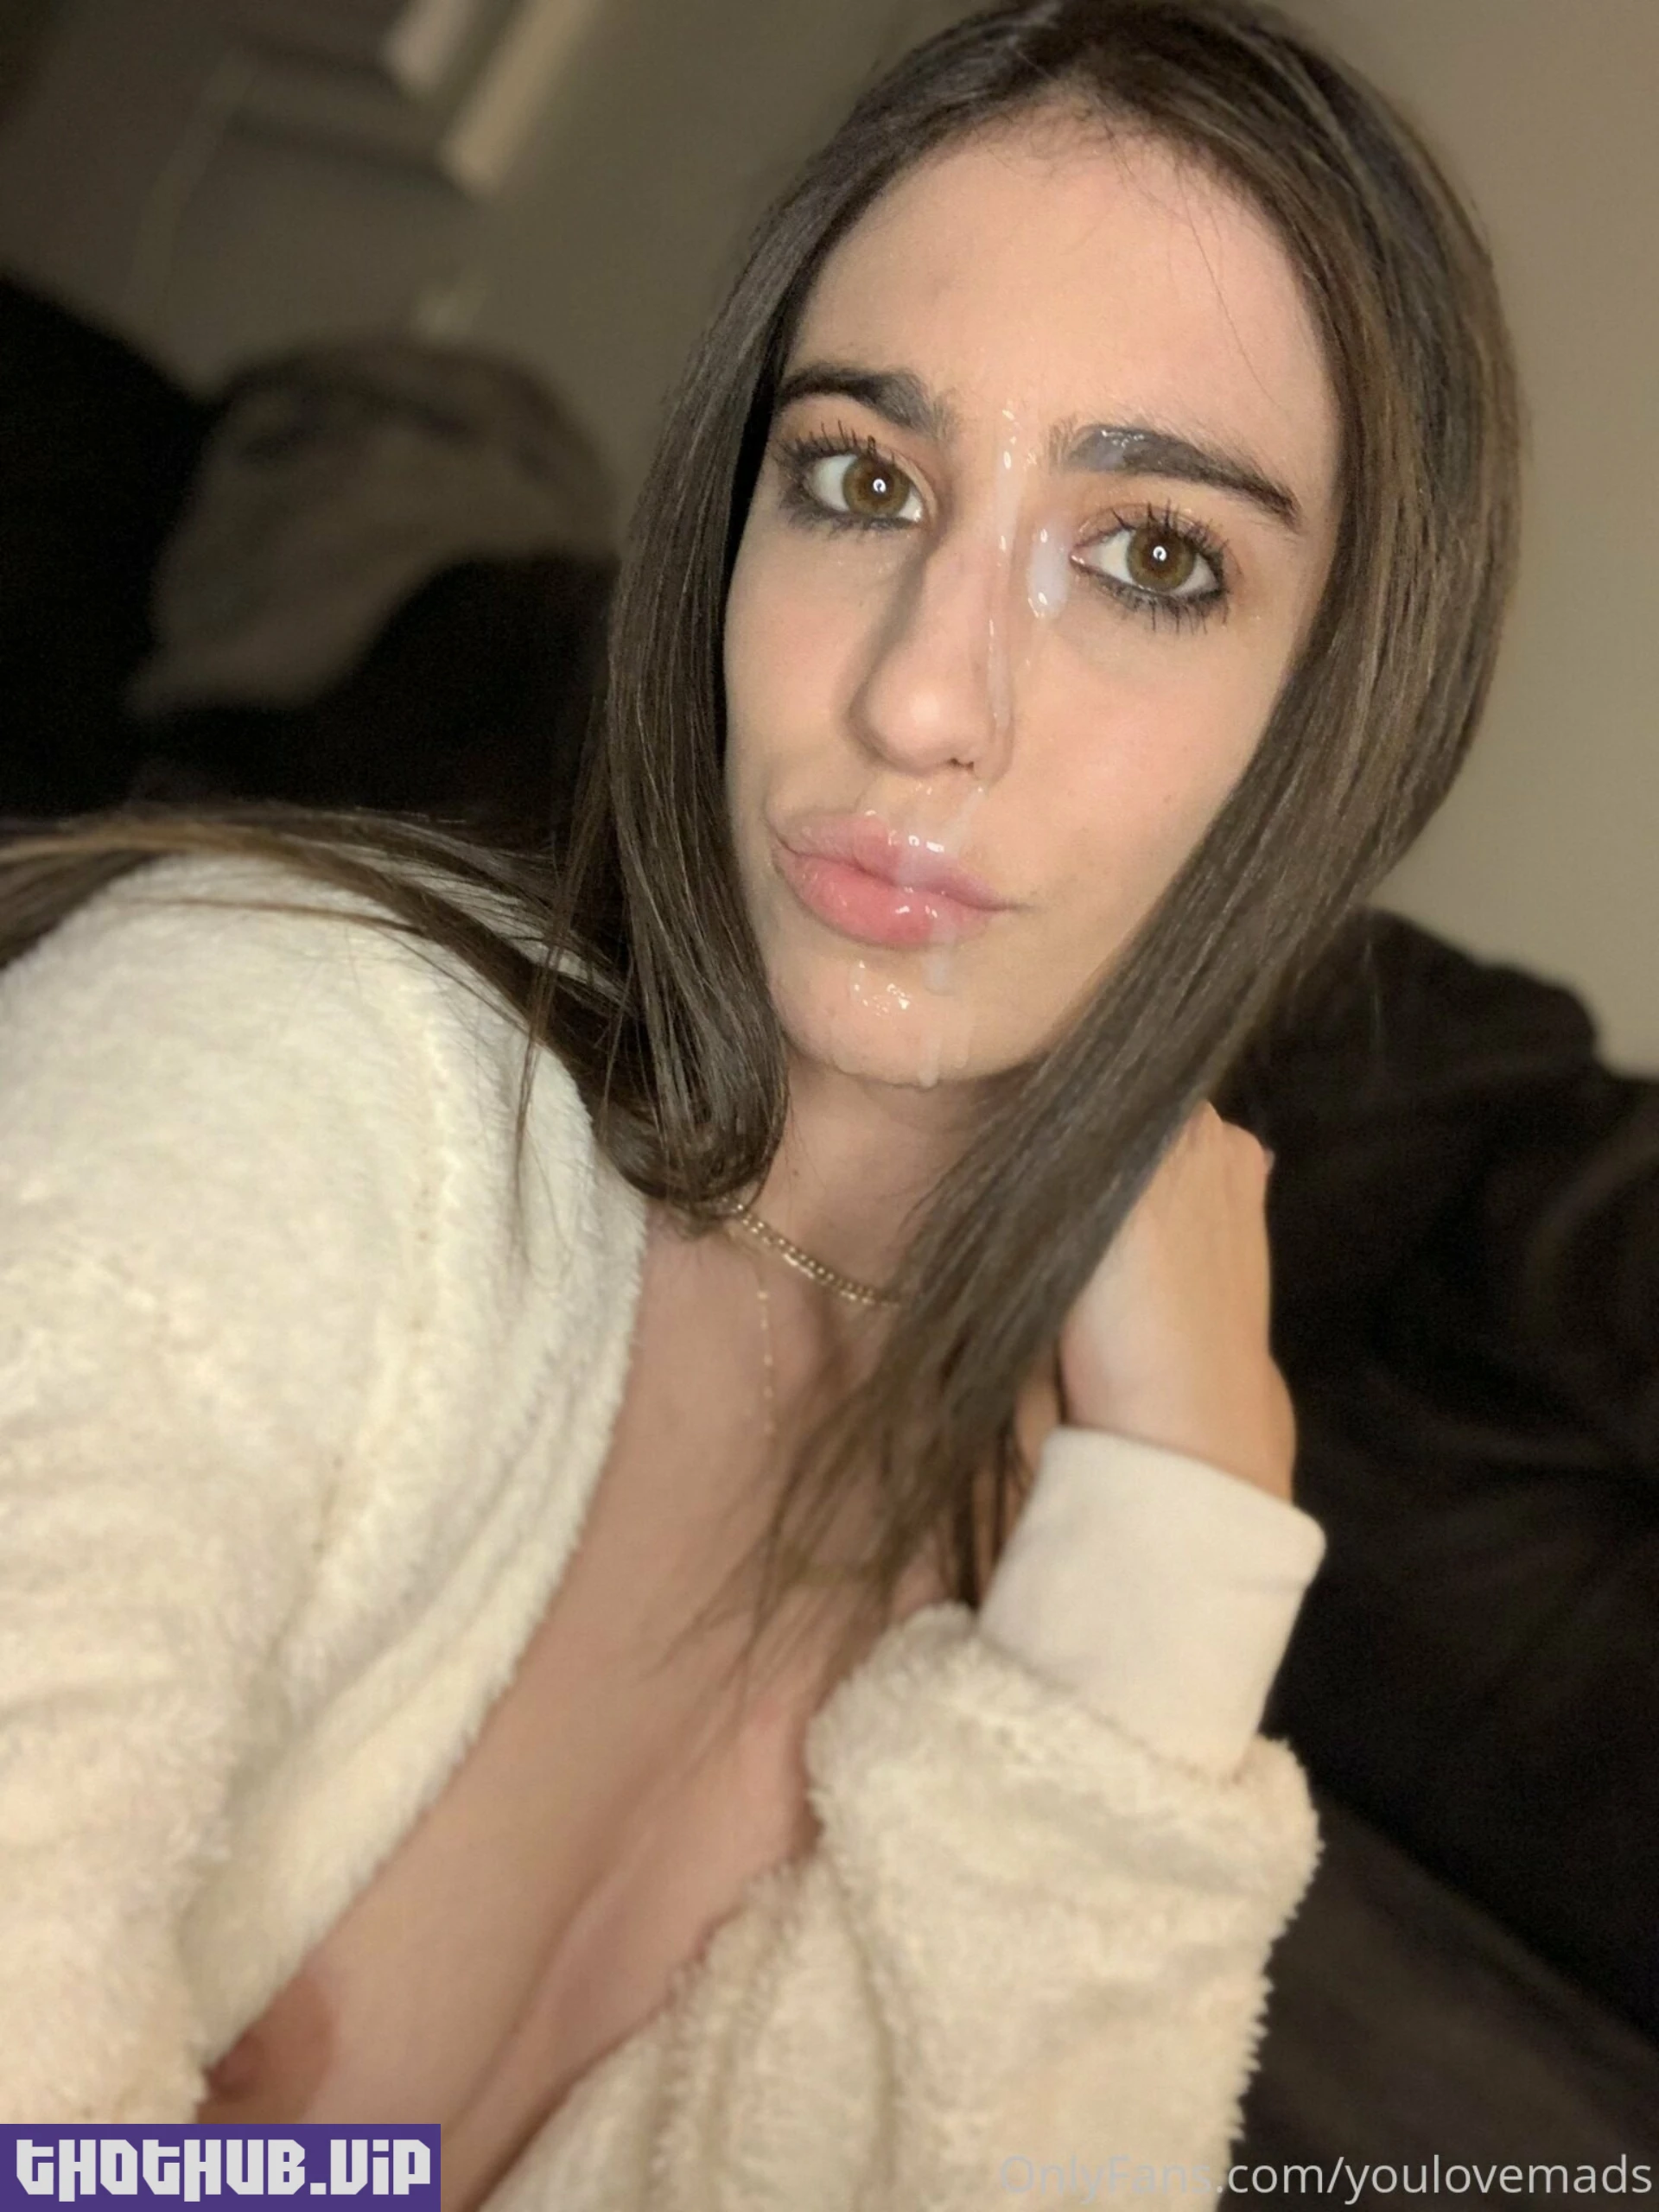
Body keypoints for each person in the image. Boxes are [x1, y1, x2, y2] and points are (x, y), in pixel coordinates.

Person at [0, 0, 1521, 2203]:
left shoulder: (1042, 1554)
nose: (919, 692)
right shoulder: (280, 1072)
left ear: (1337, 728)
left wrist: (1186, 1539)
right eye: (864, 481)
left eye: (1152, 555)